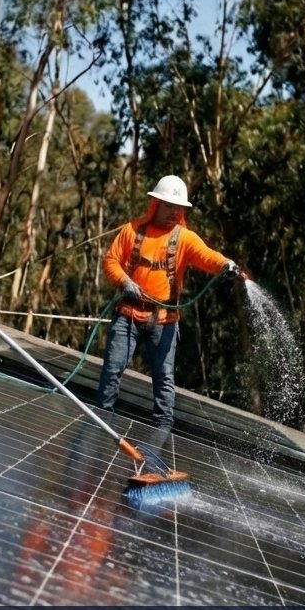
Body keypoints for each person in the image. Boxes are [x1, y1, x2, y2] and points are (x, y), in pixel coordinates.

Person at [97, 175, 241, 430]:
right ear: (155, 204)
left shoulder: (184, 238)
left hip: (164, 320)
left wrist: (225, 264)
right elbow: (111, 260)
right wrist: (124, 282)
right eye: (168, 206)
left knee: (163, 378)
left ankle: (163, 430)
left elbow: (207, 256)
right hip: (128, 313)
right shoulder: (132, 230)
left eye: (178, 207)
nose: (173, 212)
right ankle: (102, 420)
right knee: (113, 367)